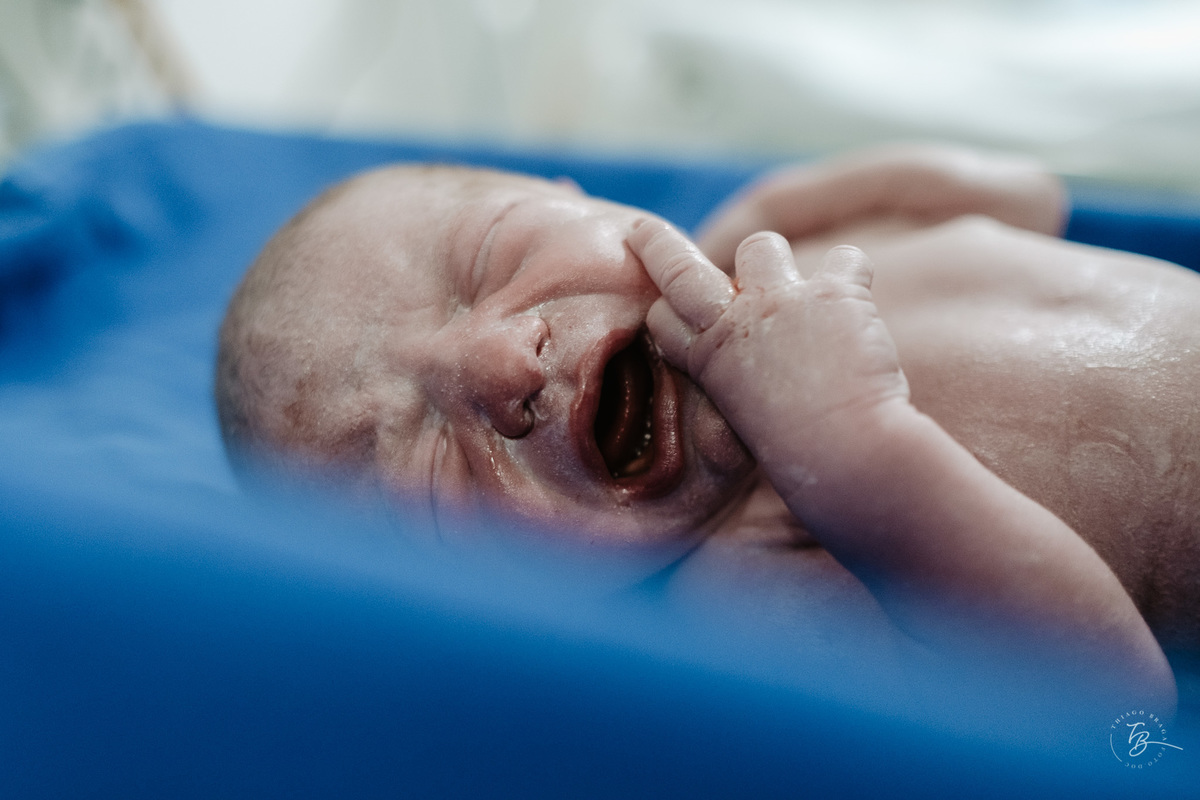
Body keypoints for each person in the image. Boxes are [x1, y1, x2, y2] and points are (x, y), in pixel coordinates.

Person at [215, 145, 1200, 715]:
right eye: (421, 471)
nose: (494, 367)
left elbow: (1027, 196)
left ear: (576, 196)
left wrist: (802, 204)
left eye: (484, 257)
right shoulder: (756, 590)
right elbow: (1117, 719)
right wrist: (854, 448)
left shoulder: (792, 249)